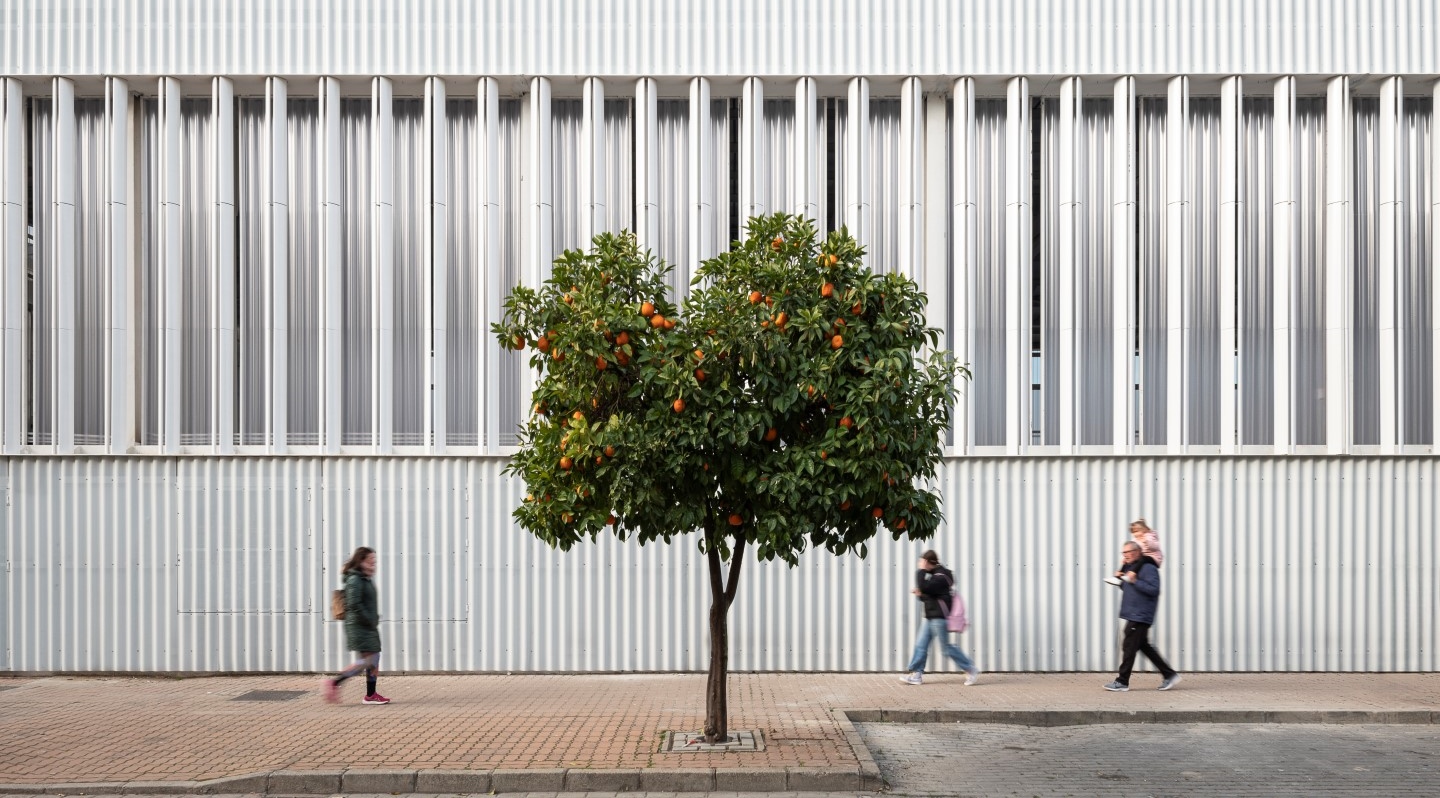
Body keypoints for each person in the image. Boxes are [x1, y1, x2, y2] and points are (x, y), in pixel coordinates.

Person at [1105, 541, 1180, 692]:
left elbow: (1154, 590)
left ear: (1137, 552)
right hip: (1133, 613)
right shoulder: (1131, 568)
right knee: (1143, 646)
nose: (1125, 556)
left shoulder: (1149, 568)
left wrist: (1134, 580)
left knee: (1129, 646)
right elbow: (1129, 587)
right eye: (1123, 553)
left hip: (1140, 614)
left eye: (1128, 552)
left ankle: (1122, 681)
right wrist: (1120, 579)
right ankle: (1169, 674)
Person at [900, 550, 980, 686]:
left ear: (927, 562)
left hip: (939, 618)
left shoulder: (941, 576)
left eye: (922, 561)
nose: (920, 564)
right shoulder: (935, 576)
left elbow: (926, 587)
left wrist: (920, 571)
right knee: (921, 645)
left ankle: (970, 668)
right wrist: (920, 594)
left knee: (946, 648)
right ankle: (916, 675)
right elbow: (929, 596)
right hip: (930, 617)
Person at [322, 546, 390, 705]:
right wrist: (369, 619)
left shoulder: (364, 578)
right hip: (360, 626)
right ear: (361, 561)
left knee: (373, 659)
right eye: (370, 561)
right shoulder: (355, 580)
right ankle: (334, 683)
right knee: (369, 660)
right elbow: (353, 605)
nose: (374, 564)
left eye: (375, 561)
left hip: (366, 625)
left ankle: (371, 695)